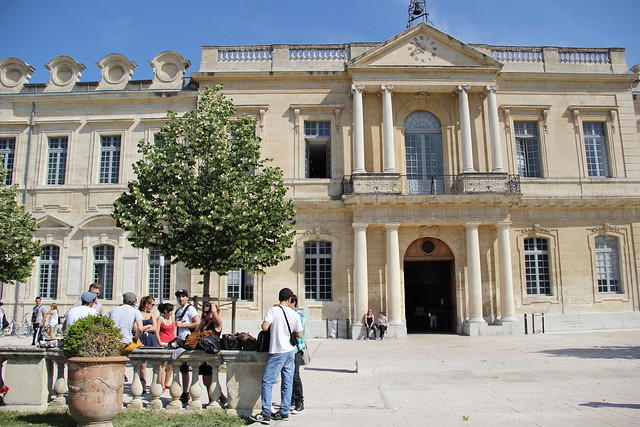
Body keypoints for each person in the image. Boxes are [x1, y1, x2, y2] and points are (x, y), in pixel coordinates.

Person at [251, 288, 302, 424]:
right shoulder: (294, 313)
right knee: (287, 381)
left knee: (268, 382)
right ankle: (284, 411)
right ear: (290, 299)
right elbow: (299, 334)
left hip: (277, 350)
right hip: (291, 351)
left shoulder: (273, 311)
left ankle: (266, 412)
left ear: (279, 298)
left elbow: (265, 327)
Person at [195, 302, 227, 407]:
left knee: (209, 380)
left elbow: (214, 312)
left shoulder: (216, 323)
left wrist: (212, 306)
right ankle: (217, 399)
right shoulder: (203, 323)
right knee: (206, 381)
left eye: (207, 312)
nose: (205, 314)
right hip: (203, 355)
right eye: (204, 312)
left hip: (211, 356)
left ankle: (219, 399)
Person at [174, 288, 199, 404]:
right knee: (182, 367)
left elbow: (197, 323)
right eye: (179, 296)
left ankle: (187, 392)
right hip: (180, 340)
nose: (180, 298)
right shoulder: (178, 311)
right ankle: (184, 392)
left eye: (183, 296)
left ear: (187, 297)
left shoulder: (190, 309)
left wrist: (184, 325)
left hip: (188, 340)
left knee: (187, 366)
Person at [138, 296, 159, 390]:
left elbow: (155, 328)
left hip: (151, 338)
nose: (153, 306)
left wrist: (143, 328)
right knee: (142, 364)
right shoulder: (139, 314)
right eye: (152, 304)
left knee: (155, 362)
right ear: (146, 304)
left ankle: (155, 385)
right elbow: (136, 328)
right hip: (141, 338)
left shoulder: (153, 314)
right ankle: (143, 384)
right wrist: (147, 327)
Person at [289, 295, 305, 414]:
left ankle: (299, 401)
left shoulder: (299, 315)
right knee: (287, 375)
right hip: (286, 348)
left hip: (296, 348)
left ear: (293, 302)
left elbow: (299, 332)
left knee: (295, 375)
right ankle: (291, 400)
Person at [156, 303, 177, 389]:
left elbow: (174, 330)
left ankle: (167, 382)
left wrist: (175, 340)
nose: (172, 312)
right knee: (162, 364)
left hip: (171, 342)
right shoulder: (160, 319)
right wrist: (159, 342)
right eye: (171, 310)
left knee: (171, 364)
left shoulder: (172, 318)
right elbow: (156, 331)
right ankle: (161, 383)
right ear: (165, 311)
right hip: (163, 341)